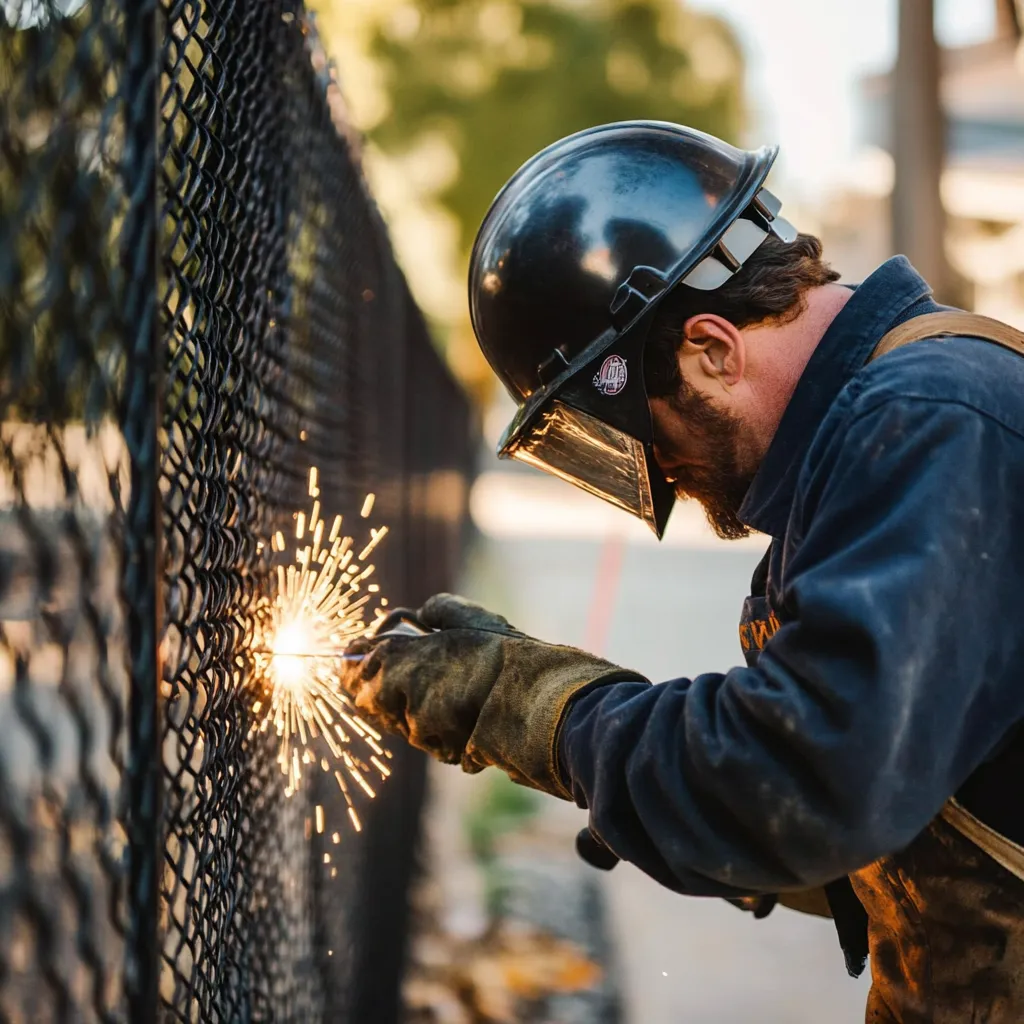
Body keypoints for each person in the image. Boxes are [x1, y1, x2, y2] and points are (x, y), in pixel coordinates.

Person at [342, 122, 1024, 1022]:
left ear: (711, 346)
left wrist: (540, 707)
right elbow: (922, 785)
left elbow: (805, 780)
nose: (657, 471)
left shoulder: (929, 424)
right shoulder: (889, 430)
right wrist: (664, 803)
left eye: (642, 431)